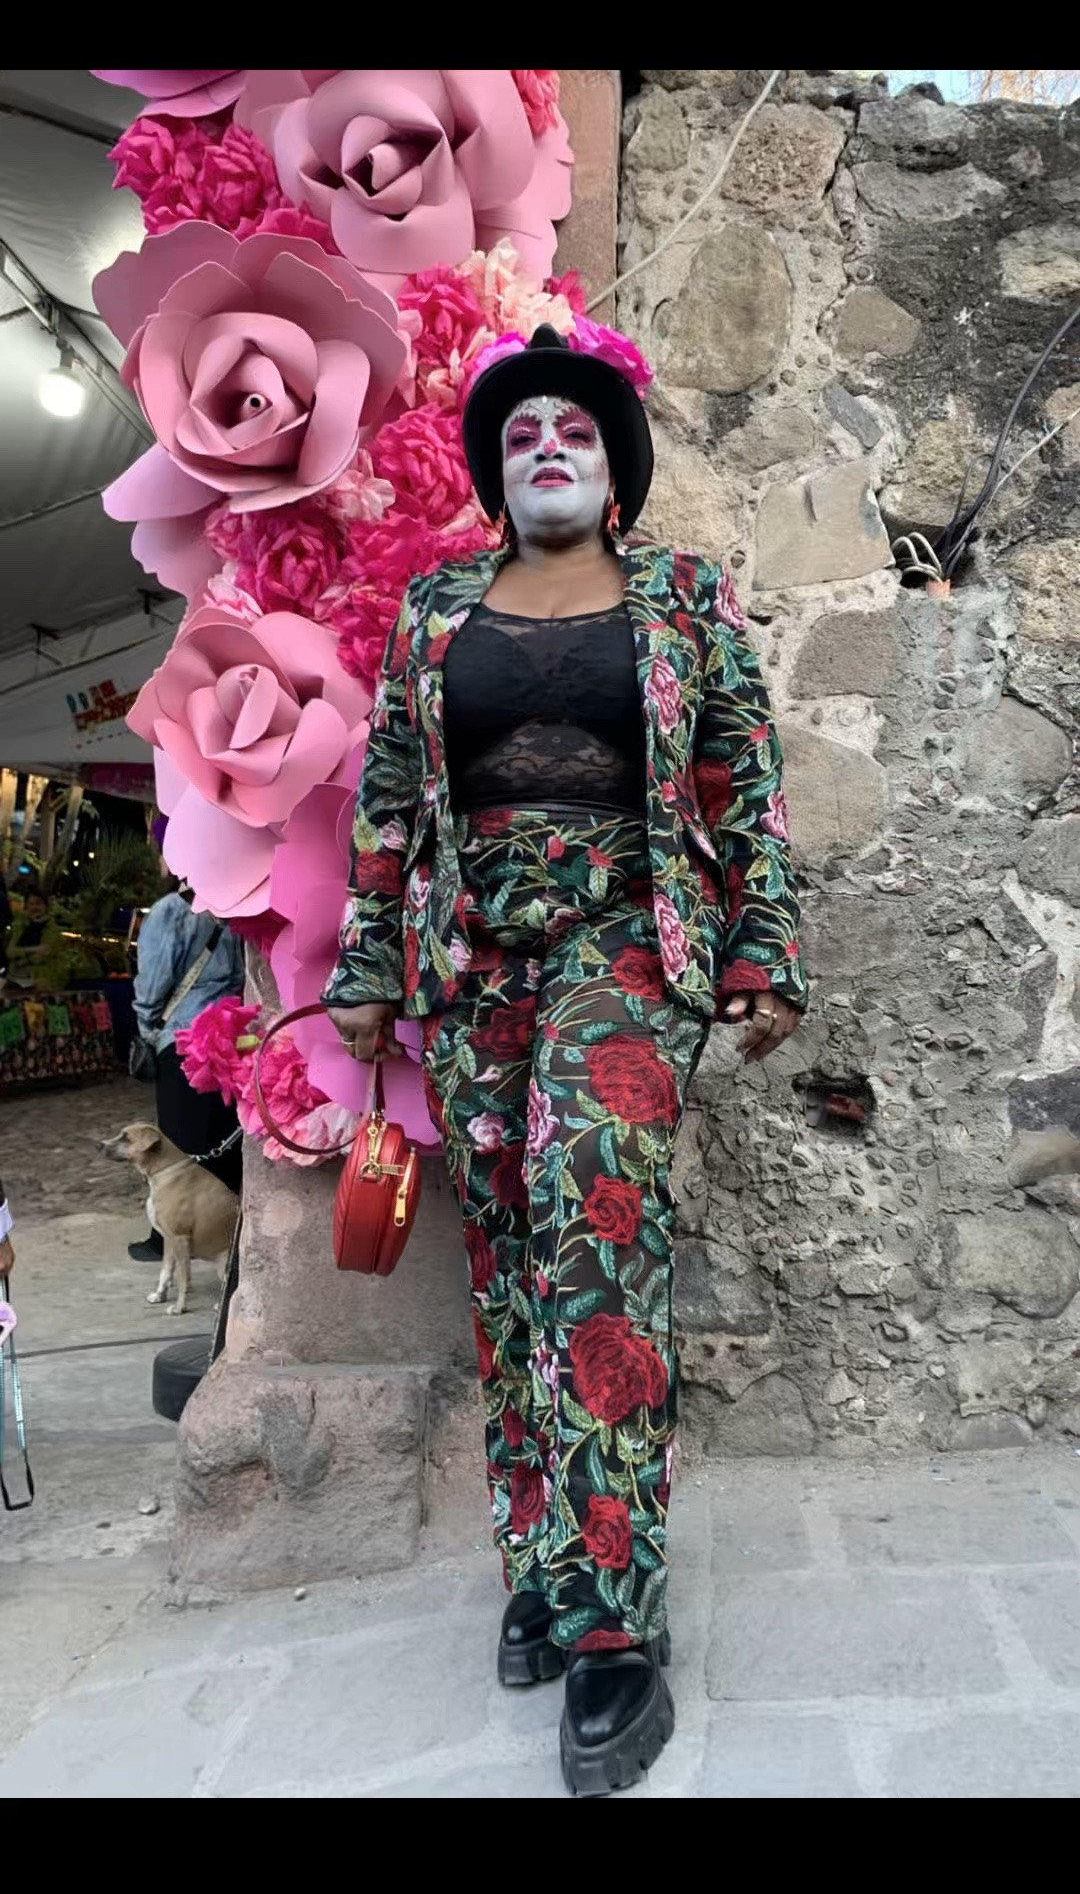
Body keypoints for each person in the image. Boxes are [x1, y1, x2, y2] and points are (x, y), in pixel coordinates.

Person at [323, 324, 808, 1797]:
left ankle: (614, 1627)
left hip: (627, 944)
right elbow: (394, 792)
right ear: (494, 466)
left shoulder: (681, 598)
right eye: (522, 428)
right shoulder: (432, 609)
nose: (546, 441)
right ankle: (541, 1556)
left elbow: (747, 769)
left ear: (614, 470)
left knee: (596, 1205)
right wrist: (363, 964)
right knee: (518, 1252)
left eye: (575, 430)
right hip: (475, 962)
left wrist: (761, 950)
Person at [128, 857, 244, 1260]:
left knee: (176, 1145)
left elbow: (153, 981)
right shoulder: (237, 909)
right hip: (229, 1038)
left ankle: (170, 1235)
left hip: (182, 1042)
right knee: (223, 1138)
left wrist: (146, 1027)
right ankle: (226, 1231)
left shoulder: (171, 912)